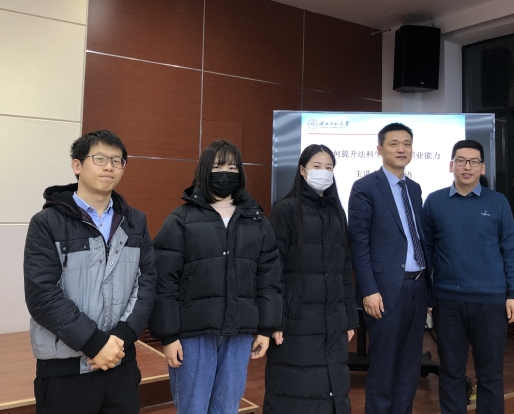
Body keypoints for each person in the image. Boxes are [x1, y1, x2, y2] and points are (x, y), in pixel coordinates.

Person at [23, 129, 156, 414]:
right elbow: (42, 294)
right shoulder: (47, 223)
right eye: (100, 159)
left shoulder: (135, 222)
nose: (109, 166)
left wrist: (121, 337)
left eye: (117, 161)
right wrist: (95, 343)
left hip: (121, 362)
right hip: (65, 369)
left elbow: (146, 283)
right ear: (77, 165)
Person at [148, 140, 282, 414]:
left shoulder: (256, 220)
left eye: (232, 167)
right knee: (193, 409)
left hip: (239, 333)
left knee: (226, 408)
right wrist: (168, 336)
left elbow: (269, 278)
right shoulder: (181, 219)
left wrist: (266, 328)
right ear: (204, 169)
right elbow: (163, 282)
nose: (226, 173)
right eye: (219, 166)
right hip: (193, 334)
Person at [422, 139, 514, 414]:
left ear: (482, 167)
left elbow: (510, 250)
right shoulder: (434, 202)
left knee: (490, 374)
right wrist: (428, 295)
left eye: (474, 161)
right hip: (448, 301)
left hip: (491, 302)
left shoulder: (498, 202)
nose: (467, 167)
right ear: (451, 165)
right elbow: (426, 253)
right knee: (451, 372)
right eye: (461, 161)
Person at [263, 144, 360, 414]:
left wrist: (349, 318)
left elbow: (344, 269)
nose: (324, 172)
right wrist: (273, 320)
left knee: (331, 390)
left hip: (332, 320)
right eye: (317, 166)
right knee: (295, 389)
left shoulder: (337, 212)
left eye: (329, 167)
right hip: (295, 320)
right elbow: (271, 268)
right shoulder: (285, 210)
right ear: (303, 171)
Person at [349, 122, 429, 414]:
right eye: (394, 144)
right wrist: (368, 290)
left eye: (406, 144)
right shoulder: (365, 187)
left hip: (418, 287)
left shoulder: (415, 189)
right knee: (383, 367)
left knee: (410, 366)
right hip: (384, 290)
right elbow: (358, 243)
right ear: (380, 149)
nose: (401, 149)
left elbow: (418, 238)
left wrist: (429, 292)